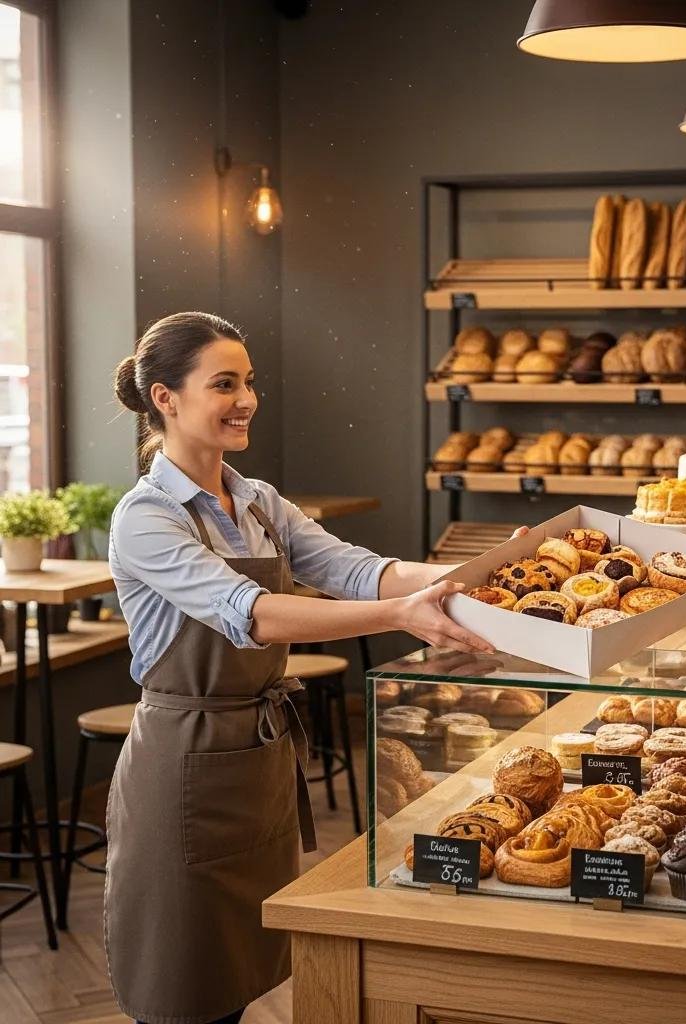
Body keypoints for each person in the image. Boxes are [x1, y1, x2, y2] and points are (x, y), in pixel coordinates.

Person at [105, 311, 499, 1024]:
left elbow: (361, 570)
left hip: (256, 762)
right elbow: (251, 612)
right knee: (182, 990)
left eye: (249, 382)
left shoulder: (256, 500)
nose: (246, 400)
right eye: (224, 384)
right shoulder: (146, 516)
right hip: (183, 768)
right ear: (165, 398)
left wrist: (486, 574)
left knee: (240, 976)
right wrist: (401, 617)